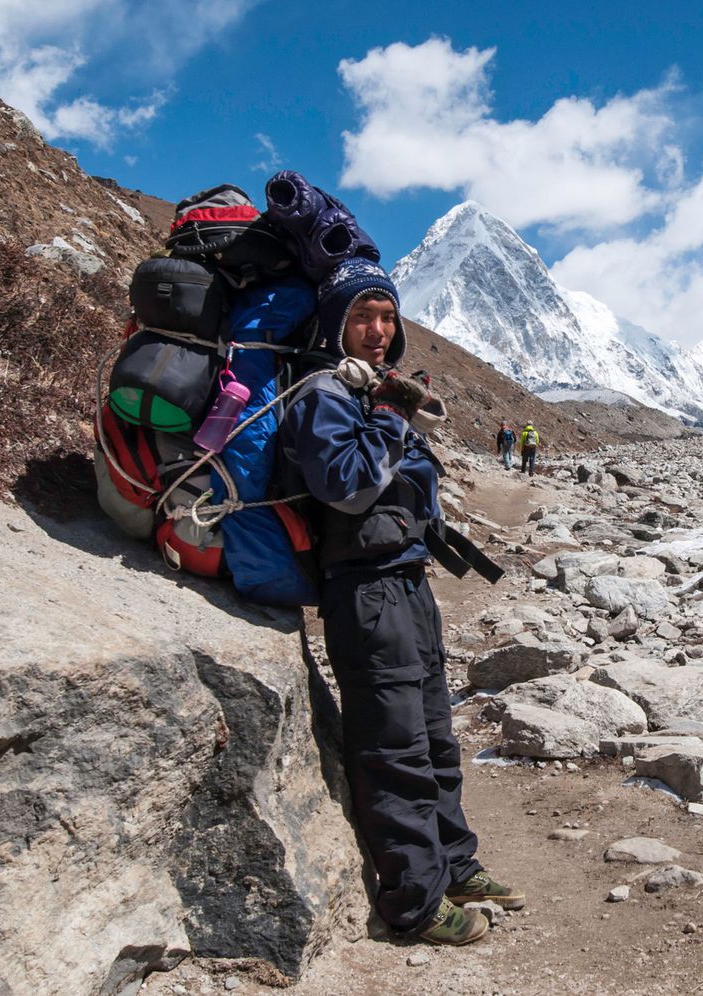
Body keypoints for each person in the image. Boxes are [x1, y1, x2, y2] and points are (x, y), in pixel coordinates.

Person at [278, 258, 522, 946]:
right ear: (336, 324)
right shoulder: (324, 395)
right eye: (362, 316)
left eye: (387, 317)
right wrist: (388, 414)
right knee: (394, 747)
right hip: (365, 590)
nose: (378, 330)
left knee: (436, 735)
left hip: (408, 586)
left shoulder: (368, 393)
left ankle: (455, 863)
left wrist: (388, 408)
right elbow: (348, 486)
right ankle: (413, 902)